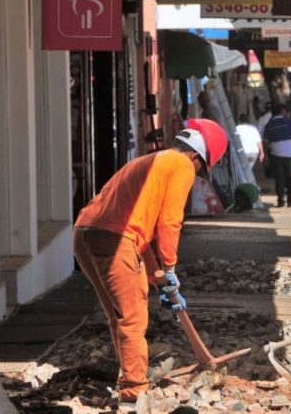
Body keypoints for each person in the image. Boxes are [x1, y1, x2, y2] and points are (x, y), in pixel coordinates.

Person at [72, 126, 227, 404]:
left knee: (118, 316)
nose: (197, 174)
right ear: (196, 156)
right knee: (132, 318)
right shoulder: (181, 165)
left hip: (85, 233)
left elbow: (140, 234)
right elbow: (169, 221)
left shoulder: (150, 161)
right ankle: (134, 391)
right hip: (115, 239)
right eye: (201, 168)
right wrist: (170, 268)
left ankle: (129, 377)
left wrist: (158, 277)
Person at [262, 104, 291, 207]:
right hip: (290, 154)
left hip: (276, 154)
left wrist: (266, 156)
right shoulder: (289, 122)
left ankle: (281, 201)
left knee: (279, 178)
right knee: (290, 177)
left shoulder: (269, 125)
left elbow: (265, 142)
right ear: (282, 111)